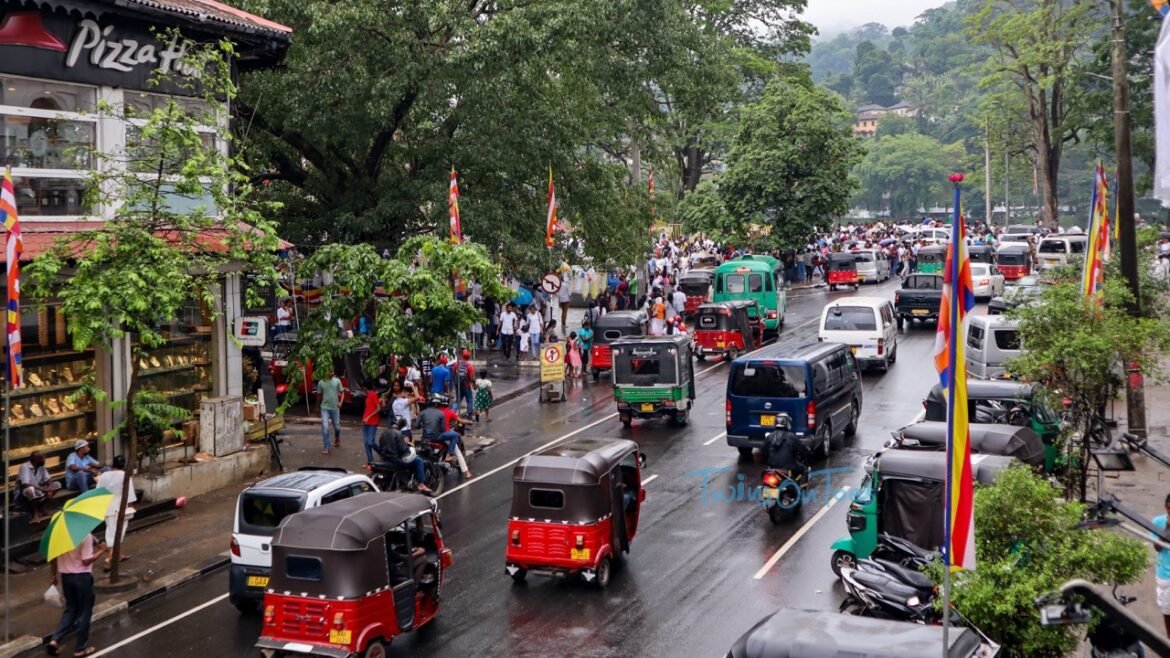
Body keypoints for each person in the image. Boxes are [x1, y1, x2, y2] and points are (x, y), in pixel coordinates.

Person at [47, 532, 105, 657]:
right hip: (82, 577)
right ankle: (80, 647)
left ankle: (55, 639)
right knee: (85, 611)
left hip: (66, 578)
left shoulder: (58, 535)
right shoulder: (84, 535)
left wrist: (53, 575)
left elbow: (53, 558)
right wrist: (101, 551)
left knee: (71, 609)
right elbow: (86, 561)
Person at [418, 395, 473, 479]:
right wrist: (469, 422)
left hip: (426, 437)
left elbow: (418, 425)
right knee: (457, 451)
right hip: (442, 435)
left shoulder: (427, 412)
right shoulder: (447, 412)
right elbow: (450, 425)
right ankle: (466, 471)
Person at [95, 455, 135, 570]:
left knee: (111, 530)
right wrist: (131, 505)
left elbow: (98, 491)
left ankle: (118, 555)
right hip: (120, 507)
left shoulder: (104, 476)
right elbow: (130, 495)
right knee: (119, 532)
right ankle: (110, 558)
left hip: (107, 507)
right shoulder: (125, 476)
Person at [377, 418, 430, 494]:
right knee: (419, 461)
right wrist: (406, 443)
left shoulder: (384, 433)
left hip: (386, 459)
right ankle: (421, 484)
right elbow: (403, 450)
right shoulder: (399, 434)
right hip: (396, 460)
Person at [764, 414, 811, 481]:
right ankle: (801, 490)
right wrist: (807, 450)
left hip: (772, 468)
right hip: (788, 467)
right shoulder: (791, 437)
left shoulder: (770, 436)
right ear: (788, 423)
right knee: (805, 469)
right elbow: (802, 449)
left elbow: (764, 451)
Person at [18, 451, 59, 523]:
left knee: (57, 485)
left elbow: (48, 479)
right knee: (30, 489)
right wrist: (43, 490)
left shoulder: (41, 467)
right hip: (24, 493)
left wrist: (49, 488)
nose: (44, 460)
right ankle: (35, 513)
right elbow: (26, 484)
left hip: (39, 489)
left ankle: (42, 507)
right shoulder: (25, 467)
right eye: (42, 458)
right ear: (36, 460)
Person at [1153, 493, 1170, 637]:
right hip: (1166, 576)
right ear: (1166, 507)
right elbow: (1157, 547)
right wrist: (1167, 528)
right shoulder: (1158, 522)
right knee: (1168, 612)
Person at [316, 369, 343, 455]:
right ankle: (326, 446)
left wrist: (340, 402)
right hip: (324, 408)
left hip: (335, 408)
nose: (332, 373)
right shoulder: (321, 382)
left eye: (332, 371)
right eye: (330, 371)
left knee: (337, 427)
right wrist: (316, 407)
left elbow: (342, 392)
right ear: (326, 372)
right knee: (325, 427)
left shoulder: (337, 381)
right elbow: (319, 395)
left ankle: (337, 436)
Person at [361, 386, 385, 465]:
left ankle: (382, 453)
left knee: (370, 442)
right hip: (366, 421)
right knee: (366, 442)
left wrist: (368, 416)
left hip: (372, 422)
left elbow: (378, 408)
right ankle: (370, 461)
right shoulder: (369, 395)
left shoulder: (373, 394)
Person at [454, 350, 475, 417]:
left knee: (458, 401)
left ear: (462, 356)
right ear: (469, 357)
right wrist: (474, 383)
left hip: (458, 384)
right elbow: (471, 378)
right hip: (466, 385)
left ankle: (452, 413)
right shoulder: (470, 367)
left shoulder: (457, 364)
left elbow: (454, 372)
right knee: (469, 400)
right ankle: (469, 415)